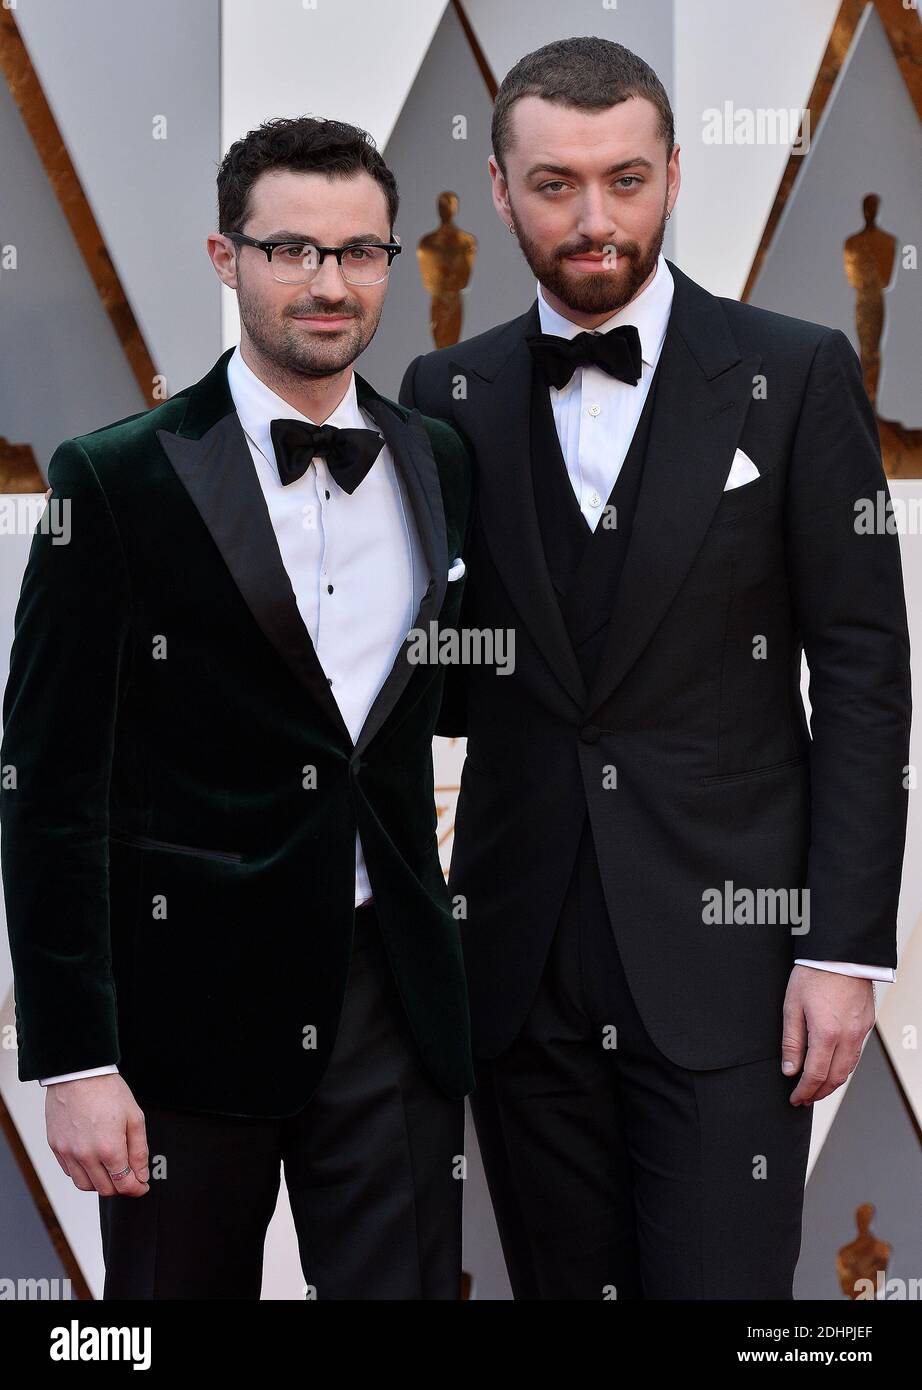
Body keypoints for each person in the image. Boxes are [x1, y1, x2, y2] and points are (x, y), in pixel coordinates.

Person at [400, 37, 911, 1300]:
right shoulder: (440, 390)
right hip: (519, 960)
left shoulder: (793, 373)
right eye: (557, 183)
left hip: (730, 963)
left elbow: (860, 669)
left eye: (625, 179)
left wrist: (843, 949)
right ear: (501, 187)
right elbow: (438, 673)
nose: (594, 218)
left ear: (674, 175)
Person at [2, 116, 474, 1300]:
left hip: (388, 999)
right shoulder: (112, 478)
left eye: (359, 251)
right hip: (180, 1015)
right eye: (291, 251)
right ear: (227, 258)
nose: (328, 283)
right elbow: (49, 786)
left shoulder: (439, 459)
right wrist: (76, 1059)